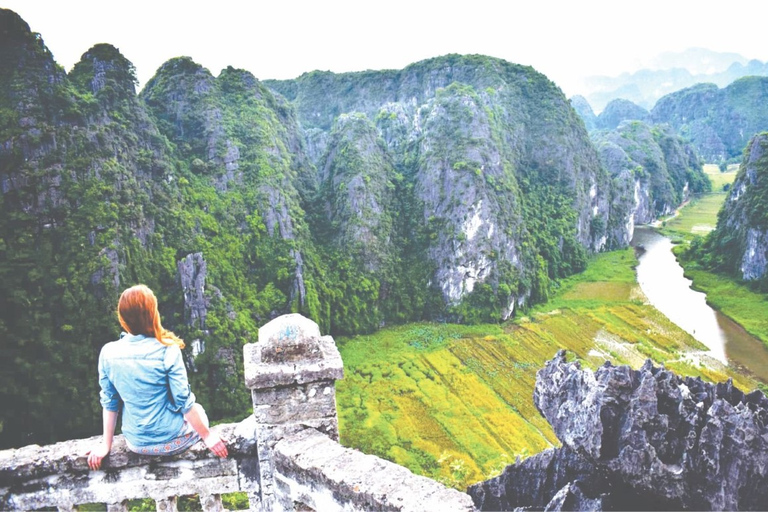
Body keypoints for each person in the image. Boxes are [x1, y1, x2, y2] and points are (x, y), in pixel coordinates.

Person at [87, 284, 227, 470]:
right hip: (171, 440)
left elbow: (110, 402)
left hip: (136, 443)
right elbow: (183, 401)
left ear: (122, 319)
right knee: (198, 410)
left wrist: (106, 445)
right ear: (153, 314)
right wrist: (208, 436)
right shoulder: (167, 349)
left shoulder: (108, 352)